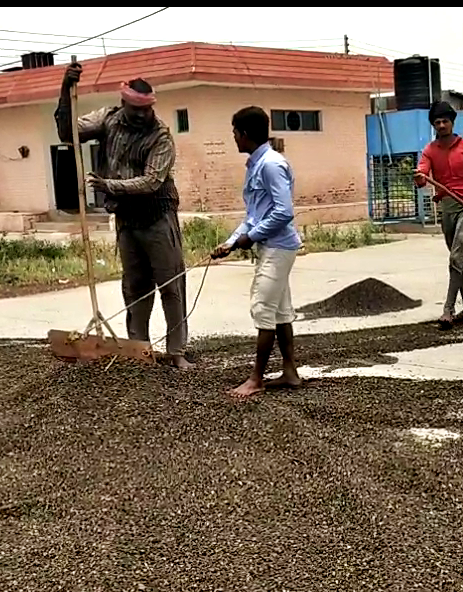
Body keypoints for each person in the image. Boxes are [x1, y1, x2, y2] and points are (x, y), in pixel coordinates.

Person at [55, 62, 193, 368]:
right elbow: (68, 132)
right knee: (135, 287)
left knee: (171, 285)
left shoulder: (161, 136)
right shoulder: (108, 119)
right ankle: (138, 350)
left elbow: (151, 181)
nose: (143, 115)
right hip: (126, 219)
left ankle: (176, 352)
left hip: (158, 216)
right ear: (123, 104)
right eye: (136, 109)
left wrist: (109, 185)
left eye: (147, 109)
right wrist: (65, 88)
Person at [211, 106, 302, 398]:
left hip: (278, 247)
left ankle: (256, 379)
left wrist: (250, 238)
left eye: (235, 132)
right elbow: (255, 214)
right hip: (270, 245)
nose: (234, 137)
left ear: (245, 134)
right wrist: (231, 241)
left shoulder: (271, 165)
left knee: (262, 309)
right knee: (280, 310)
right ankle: (290, 372)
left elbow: (283, 212)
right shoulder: (257, 164)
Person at [413, 101, 463, 330]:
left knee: (456, 256)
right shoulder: (430, 151)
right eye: (437, 122)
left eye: (445, 121)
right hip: (447, 208)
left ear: (452, 122)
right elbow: (422, 174)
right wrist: (419, 177)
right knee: (460, 258)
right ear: (433, 125)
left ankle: (448, 310)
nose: (441, 125)